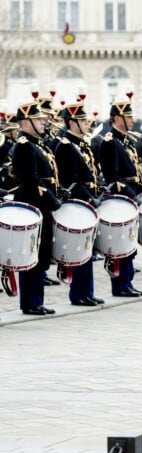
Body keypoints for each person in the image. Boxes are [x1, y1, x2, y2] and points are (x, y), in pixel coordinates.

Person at [11, 101, 61, 315]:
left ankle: (36, 301)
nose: (44, 122)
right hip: (34, 204)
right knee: (32, 253)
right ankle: (30, 303)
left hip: (42, 205)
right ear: (25, 122)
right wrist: (52, 199)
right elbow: (30, 181)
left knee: (41, 254)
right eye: (39, 119)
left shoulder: (37, 144)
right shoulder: (23, 146)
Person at [53, 102, 105, 307]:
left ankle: (87, 292)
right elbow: (71, 180)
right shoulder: (65, 146)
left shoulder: (79, 144)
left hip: (86, 200)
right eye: (82, 121)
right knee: (80, 250)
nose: (86, 124)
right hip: (78, 202)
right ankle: (78, 294)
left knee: (88, 249)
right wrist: (91, 199)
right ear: (72, 122)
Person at [98, 100, 142, 298]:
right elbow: (112, 178)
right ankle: (120, 285)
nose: (132, 120)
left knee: (130, 242)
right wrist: (131, 193)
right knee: (120, 243)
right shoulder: (110, 142)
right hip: (121, 199)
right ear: (117, 118)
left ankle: (127, 282)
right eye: (128, 117)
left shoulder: (126, 140)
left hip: (131, 197)